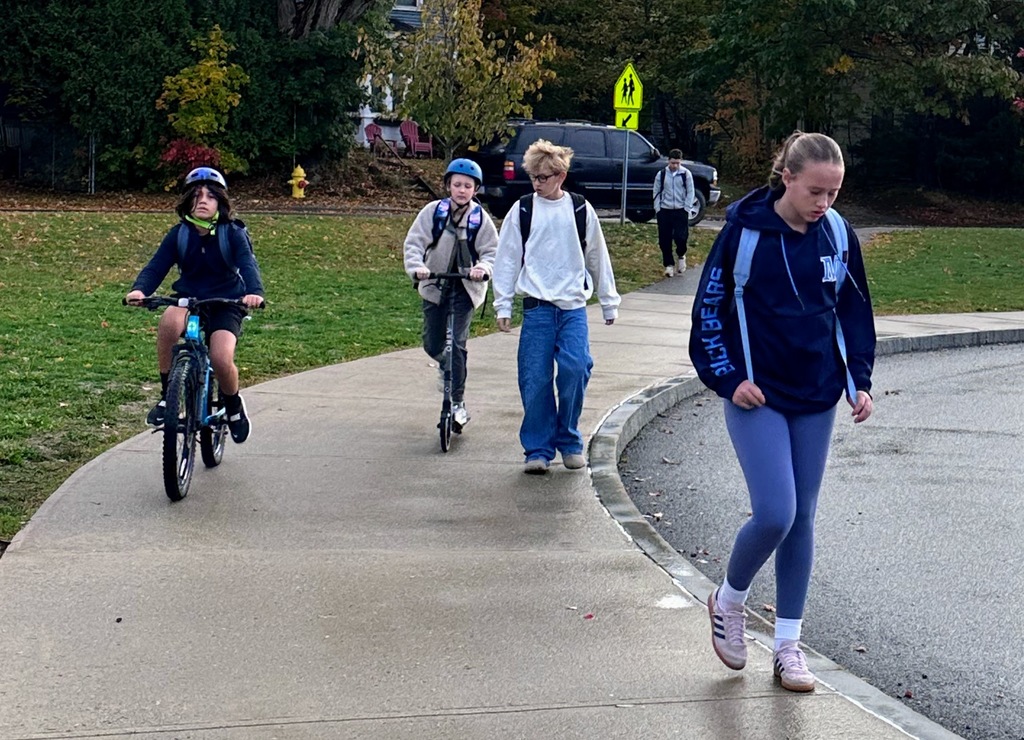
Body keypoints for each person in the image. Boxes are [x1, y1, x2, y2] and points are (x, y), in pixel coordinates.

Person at [688, 131, 876, 692]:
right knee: (776, 512)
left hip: (816, 393)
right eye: (815, 191)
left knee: (804, 519)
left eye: (835, 194)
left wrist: (858, 379)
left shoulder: (838, 235)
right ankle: (729, 599)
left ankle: (789, 646)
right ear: (787, 178)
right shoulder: (743, 235)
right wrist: (727, 378)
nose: (824, 204)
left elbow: (855, 309)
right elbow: (709, 313)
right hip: (758, 395)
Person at [492, 139, 620, 474]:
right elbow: (506, 259)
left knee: (576, 369)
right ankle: (537, 448)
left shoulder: (580, 209)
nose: (537, 183)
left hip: (573, 308)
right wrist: (502, 305)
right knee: (534, 379)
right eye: (533, 176)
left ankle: (569, 438)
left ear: (560, 175)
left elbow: (597, 257)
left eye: (544, 177)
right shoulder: (523, 210)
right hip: (537, 308)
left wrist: (608, 301)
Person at [125, 167, 265, 443]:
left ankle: (233, 406)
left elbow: (248, 265)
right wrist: (140, 290)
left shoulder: (232, 233)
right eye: (197, 195)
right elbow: (157, 266)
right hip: (188, 297)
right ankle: (168, 396)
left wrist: (254, 293)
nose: (203, 200)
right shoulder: (180, 234)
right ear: (187, 201)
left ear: (220, 203)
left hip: (227, 301)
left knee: (221, 357)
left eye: (210, 196)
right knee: (168, 323)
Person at [403, 158, 497, 428]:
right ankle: (447, 366)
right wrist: (418, 268)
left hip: (466, 288)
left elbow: (492, 251)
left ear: (475, 190)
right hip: (435, 284)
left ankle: (458, 402)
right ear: (448, 186)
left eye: (468, 186)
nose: (462, 190)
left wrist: (482, 267)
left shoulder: (480, 218)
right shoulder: (434, 212)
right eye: (457, 185)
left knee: (456, 344)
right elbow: (414, 243)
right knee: (433, 344)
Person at [652, 148, 695, 277]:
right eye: (672, 163)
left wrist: (687, 208)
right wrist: (658, 208)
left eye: (677, 163)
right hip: (665, 210)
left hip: (681, 210)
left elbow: (690, 192)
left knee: (681, 237)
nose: (675, 165)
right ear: (668, 161)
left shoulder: (685, 174)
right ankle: (669, 265)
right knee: (664, 239)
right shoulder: (661, 174)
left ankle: (681, 255)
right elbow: (656, 191)